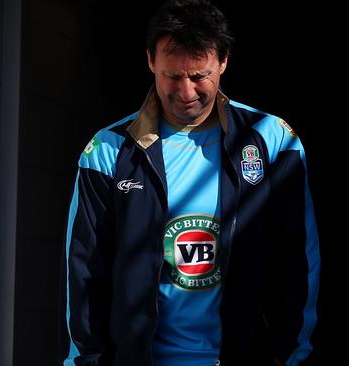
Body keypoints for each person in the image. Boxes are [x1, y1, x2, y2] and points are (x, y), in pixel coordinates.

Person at [59, 0, 320, 365]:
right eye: (172, 75)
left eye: (200, 76)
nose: (186, 92)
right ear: (150, 60)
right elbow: (84, 270)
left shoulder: (272, 140)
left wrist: (289, 356)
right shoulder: (108, 149)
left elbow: (299, 259)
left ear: (224, 61)